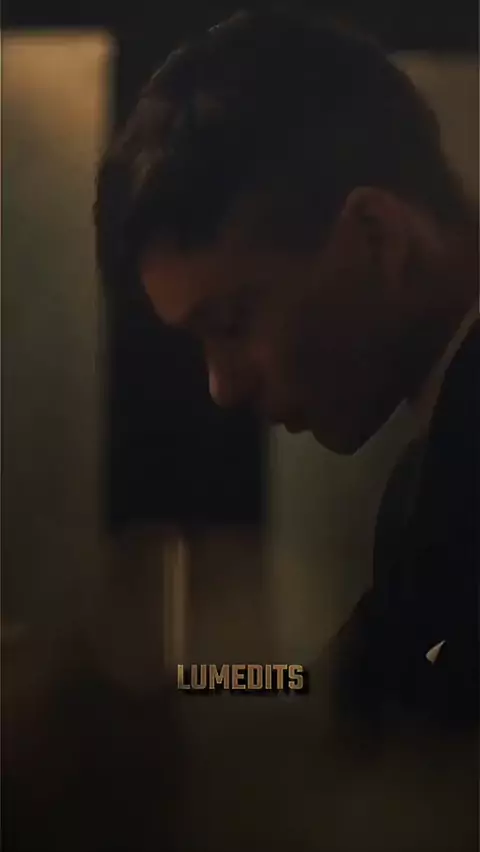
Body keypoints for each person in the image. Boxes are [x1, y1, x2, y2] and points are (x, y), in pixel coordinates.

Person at [95, 9, 478, 850]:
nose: (223, 387)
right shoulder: (433, 472)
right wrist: (175, 687)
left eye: (233, 323)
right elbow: (336, 684)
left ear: (376, 236)